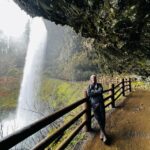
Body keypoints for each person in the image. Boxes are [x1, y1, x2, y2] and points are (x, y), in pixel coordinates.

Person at [87, 75, 107, 143]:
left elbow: (101, 91)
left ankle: (102, 133)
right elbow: (89, 94)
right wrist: (96, 92)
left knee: (103, 117)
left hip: (101, 103)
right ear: (90, 79)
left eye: (95, 78)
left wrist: (94, 92)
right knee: (98, 118)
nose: (94, 79)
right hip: (94, 105)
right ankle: (103, 133)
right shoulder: (89, 86)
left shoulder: (99, 85)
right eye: (93, 78)